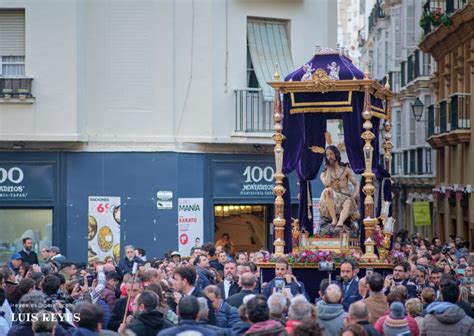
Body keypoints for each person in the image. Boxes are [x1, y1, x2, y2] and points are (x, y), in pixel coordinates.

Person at [318, 145, 360, 228]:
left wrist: (353, 196)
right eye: (327, 155)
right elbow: (326, 183)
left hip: (345, 197)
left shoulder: (346, 170)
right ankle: (334, 219)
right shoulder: (324, 173)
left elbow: (357, 184)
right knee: (327, 190)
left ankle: (340, 223)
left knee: (348, 202)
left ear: (336, 155)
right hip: (332, 200)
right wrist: (329, 170)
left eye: (331, 154)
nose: (329, 157)